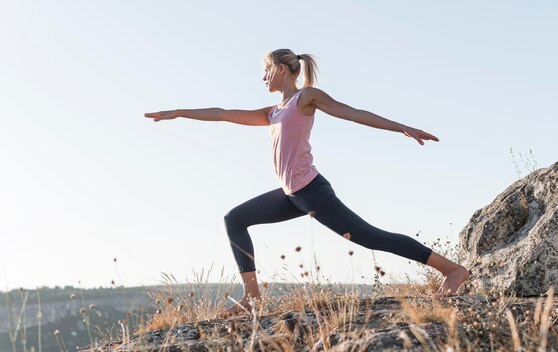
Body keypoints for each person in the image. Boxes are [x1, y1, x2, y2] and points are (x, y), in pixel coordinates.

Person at [144, 49, 469, 317]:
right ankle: (252, 298)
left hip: (312, 191)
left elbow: (353, 112)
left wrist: (402, 127)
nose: (263, 77)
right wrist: (177, 113)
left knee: (370, 237)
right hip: (290, 195)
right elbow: (224, 113)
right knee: (235, 219)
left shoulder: (305, 98)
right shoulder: (273, 111)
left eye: (266, 70)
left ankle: (452, 270)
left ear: (283, 69)